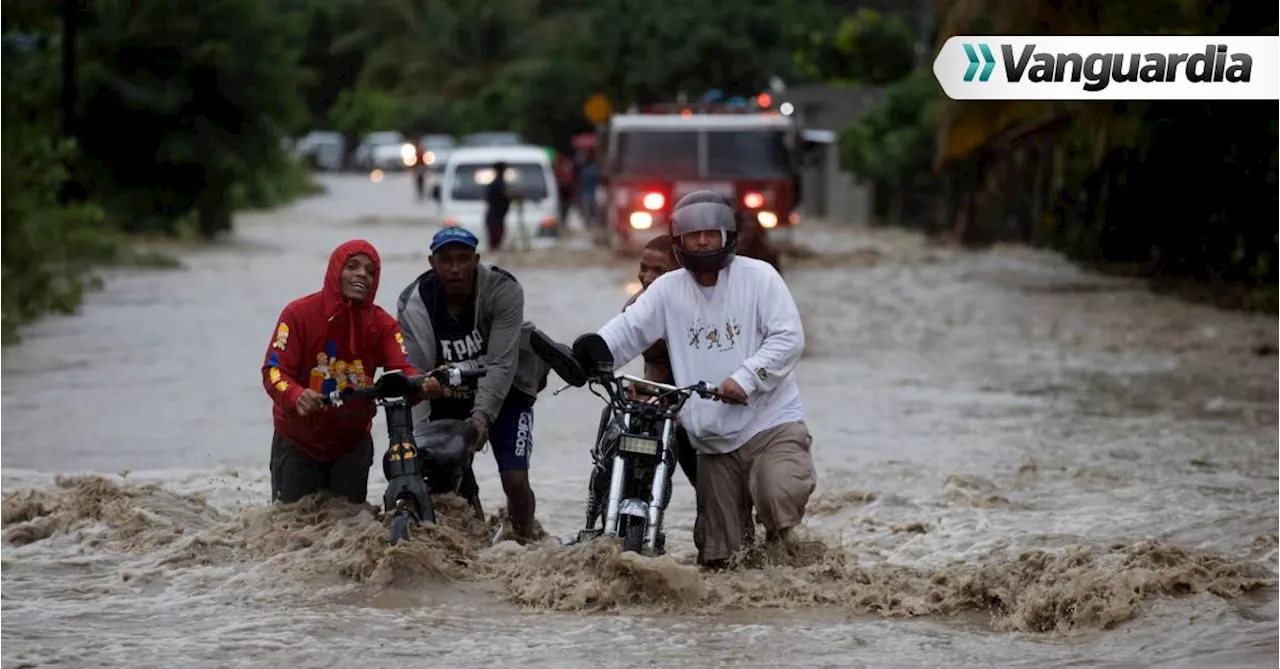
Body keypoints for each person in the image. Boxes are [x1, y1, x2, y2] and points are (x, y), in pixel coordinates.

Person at [592, 191, 815, 569]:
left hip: (769, 423)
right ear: (679, 240)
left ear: (727, 235)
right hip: (711, 440)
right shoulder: (667, 289)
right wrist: (589, 354)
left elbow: (789, 338)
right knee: (719, 560)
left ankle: (786, 558)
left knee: (776, 494)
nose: (702, 241)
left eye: (710, 233)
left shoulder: (760, 277)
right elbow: (628, 331)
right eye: (693, 234)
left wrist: (746, 378)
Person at [396, 226, 550, 542]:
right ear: (432, 262)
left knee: (515, 480)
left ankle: (525, 546)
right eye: (446, 260)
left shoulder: (502, 290)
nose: (455, 269)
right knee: (440, 475)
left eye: (463, 259)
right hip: (447, 393)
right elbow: (414, 372)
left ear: (476, 260)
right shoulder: (413, 302)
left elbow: (501, 364)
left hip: (507, 389)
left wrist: (481, 420)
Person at [261, 239, 438, 505]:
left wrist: (424, 384)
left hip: (351, 444)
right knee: (292, 532)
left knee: (350, 528)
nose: (361, 275)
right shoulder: (297, 314)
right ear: (335, 271)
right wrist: (296, 395)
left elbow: (402, 370)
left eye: (370, 271)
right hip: (297, 441)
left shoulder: (383, 325)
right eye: (352, 266)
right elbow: (274, 371)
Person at [616, 235, 698, 488]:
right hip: (663, 398)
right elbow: (653, 363)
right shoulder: (635, 307)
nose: (648, 277)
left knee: (707, 487)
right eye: (644, 268)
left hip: (699, 399)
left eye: (659, 271)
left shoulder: (699, 308)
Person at [484, 161, 512, 250]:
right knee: (495, 242)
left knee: (497, 241)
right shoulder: (497, 183)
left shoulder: (499, 182)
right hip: (495, 217)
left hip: (497, 217)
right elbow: (504, 195)